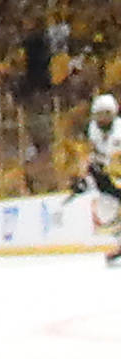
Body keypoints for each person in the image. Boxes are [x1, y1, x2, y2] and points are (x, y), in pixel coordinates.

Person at [76, 92, 121, 265]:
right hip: (112, 176)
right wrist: (85, 177)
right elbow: (92, 156)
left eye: (106, 114)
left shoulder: (119, 132)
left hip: (115, 172)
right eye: (99, 114)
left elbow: (114, 159)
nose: (102, 119)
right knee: (106, 209)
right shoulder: (93, 130)